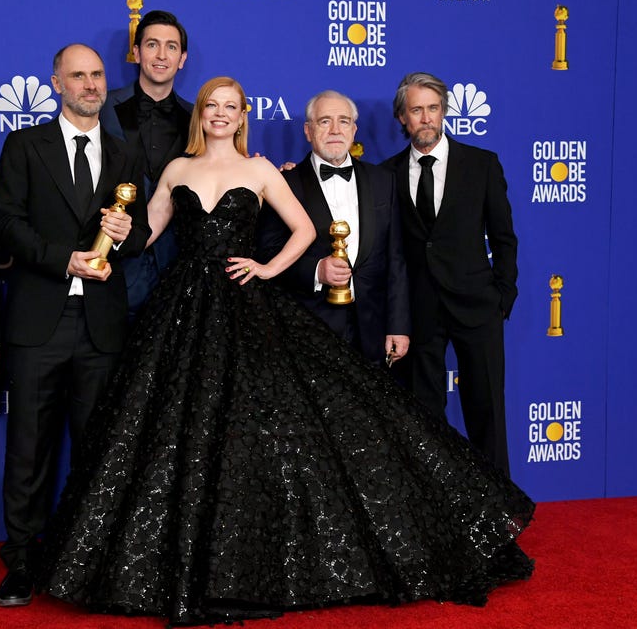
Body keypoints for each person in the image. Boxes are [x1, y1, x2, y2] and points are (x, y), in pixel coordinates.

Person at [39, 76, 534, 626]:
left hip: (245, 307)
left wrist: (267, 269)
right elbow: (148, 234)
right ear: (200, 114)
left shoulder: (261, 171)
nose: (221, 115)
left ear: (243, 114)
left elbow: (303, 230)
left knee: (260, 431)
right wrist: (118, 229)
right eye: (213, 106)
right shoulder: (177, 170)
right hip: (179, 310)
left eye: (231, 107)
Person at [0, 43, 149, 608]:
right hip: (39, 322)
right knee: (29, 449)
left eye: (98, 75)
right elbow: (6, 223)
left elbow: (140, 233)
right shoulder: (25, 145)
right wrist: (65, 258)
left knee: (96, 451)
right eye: (77, 75)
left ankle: (87, 564)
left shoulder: (125, 154)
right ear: (56, 82)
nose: (90, 84)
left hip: (103, 326)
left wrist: (125, 235)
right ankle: (20, 562)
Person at [381, 72, 518, 475]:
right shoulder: (385, 174)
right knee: (424, 418)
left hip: (478, 306)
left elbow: (504, 237)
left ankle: (498, 518)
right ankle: (437, 515)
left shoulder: (481, 165)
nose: (426, 118)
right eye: (416, 110)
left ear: (444, 113)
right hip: (420, 313)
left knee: (487, 411)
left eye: (433, 109)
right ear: (403, 118)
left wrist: (501, 297)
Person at [256, 90, 410, 366]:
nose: (336, 130)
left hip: (372, 329)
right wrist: (316, 271)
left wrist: (398, 325)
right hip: (307, 328)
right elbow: (267, 251)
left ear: (354, 129)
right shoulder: (284, 184)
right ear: (308, 130)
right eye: (325, 121)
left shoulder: (383, 180)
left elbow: (396, 258)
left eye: (344, 121)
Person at [101, 10, 193, 317]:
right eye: (152, 44)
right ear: (136, 52)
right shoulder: (101, 108)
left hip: (179, 267)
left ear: (182, 58)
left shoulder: (200, 120)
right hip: (114, 264)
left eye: (171, 46)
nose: (161, 55)